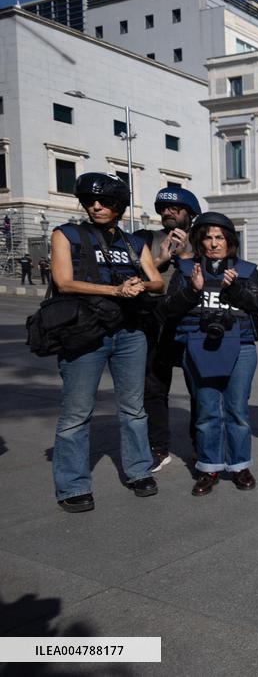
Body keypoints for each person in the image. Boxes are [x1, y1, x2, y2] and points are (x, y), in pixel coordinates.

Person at [49, 172, 164, 512]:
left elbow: (157, 281)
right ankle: (72, 485)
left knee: (134, 408)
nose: (95, 206)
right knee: (76, 413)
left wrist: (140, 285)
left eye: (104, 202)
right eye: (89, 201)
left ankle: (139, 470)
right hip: (84, 332)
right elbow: (64, 282)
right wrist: (115, 289)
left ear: (119, 206)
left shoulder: (133, 243)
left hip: (129, 333)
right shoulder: (66, 234)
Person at [161, 212, 258, 496]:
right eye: (208, 237)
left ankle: (240, 466)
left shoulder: (244, 269)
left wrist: (237, 290)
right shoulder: (185, 270)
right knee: (207, 412)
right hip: (197, 345)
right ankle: (208, 468)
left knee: (237, 411)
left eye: (220, 237)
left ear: (229, 241)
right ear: (199, 240)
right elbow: (169, 308)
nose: (214, 243)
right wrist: (192, 292)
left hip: (241, 347)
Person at [135, 186, 201, 471]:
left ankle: (202, 447)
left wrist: (189, 253)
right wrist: (160, 260)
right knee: (153, 388)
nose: (167, 212)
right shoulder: (144, 239)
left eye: (175, 208)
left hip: (192, 321)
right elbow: (127, 275)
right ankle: (158, 448)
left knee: (199, 388)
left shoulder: (205, 240)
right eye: (162, 208)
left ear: (190, 212)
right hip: (153, 320)